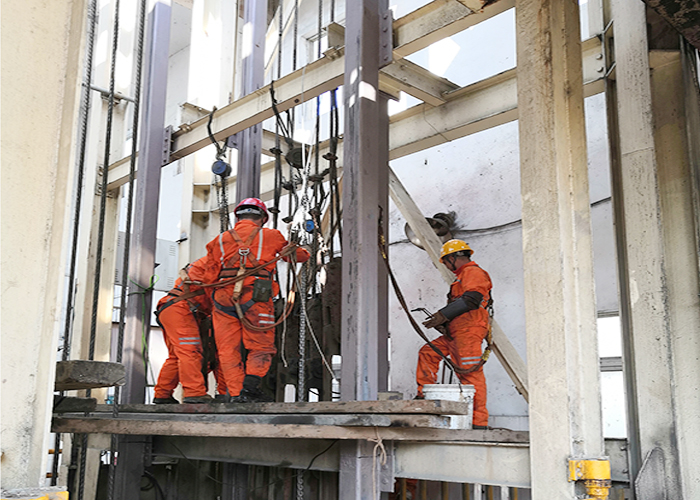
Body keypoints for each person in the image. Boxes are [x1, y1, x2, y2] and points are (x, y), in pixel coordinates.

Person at [205, 198, 310, 402]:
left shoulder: (218, 241)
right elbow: (297, 256)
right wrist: (306, 250)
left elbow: (209, 277)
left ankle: (236, 394)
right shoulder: (271, 235)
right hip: (256, 297)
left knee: (228, 349)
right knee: (261, 346)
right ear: (262, 218)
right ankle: (250, 390)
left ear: (238, 218)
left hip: (223, 300)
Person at [415, 239, 492, 428]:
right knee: (428, 352)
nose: (448, 267)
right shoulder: (460, 278)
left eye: (446, 262)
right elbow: (462, 304)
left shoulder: (473, 272)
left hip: (469, 332)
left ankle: (478, 422)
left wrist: (443, 315)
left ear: (453, 258)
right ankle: (423, 394)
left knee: (470, 374)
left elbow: (472, 299)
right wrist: (446, 323)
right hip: (458, 332)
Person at [153, 256, 227, 404]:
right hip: (180, 308)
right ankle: (194, 393)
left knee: (177, 355)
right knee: (190, 351)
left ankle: (162, 394)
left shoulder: (214, 262)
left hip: (175, 308)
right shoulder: (218, 263)